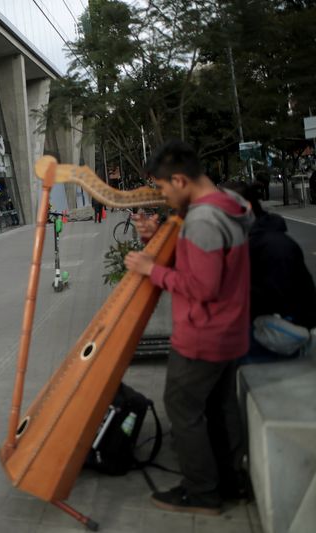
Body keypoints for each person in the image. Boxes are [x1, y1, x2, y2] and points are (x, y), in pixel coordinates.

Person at [124, 140, 254, 516]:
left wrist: (152, 269)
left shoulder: (202, 220)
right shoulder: (231, 204)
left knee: (182, 408)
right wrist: (157, 240)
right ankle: (233, 482)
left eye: (163, 188)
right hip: (231, 330)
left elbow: (203, 287)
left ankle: (202, 492)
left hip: (203, 334)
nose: (162, 196)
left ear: (180, 180)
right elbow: (213, 267)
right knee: (221, 407)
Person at [222, 181, 316, 362]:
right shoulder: (247, 238)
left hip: (285, 331)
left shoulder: (274, 245)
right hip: (268, 323)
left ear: (245, 208)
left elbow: (271, 299)